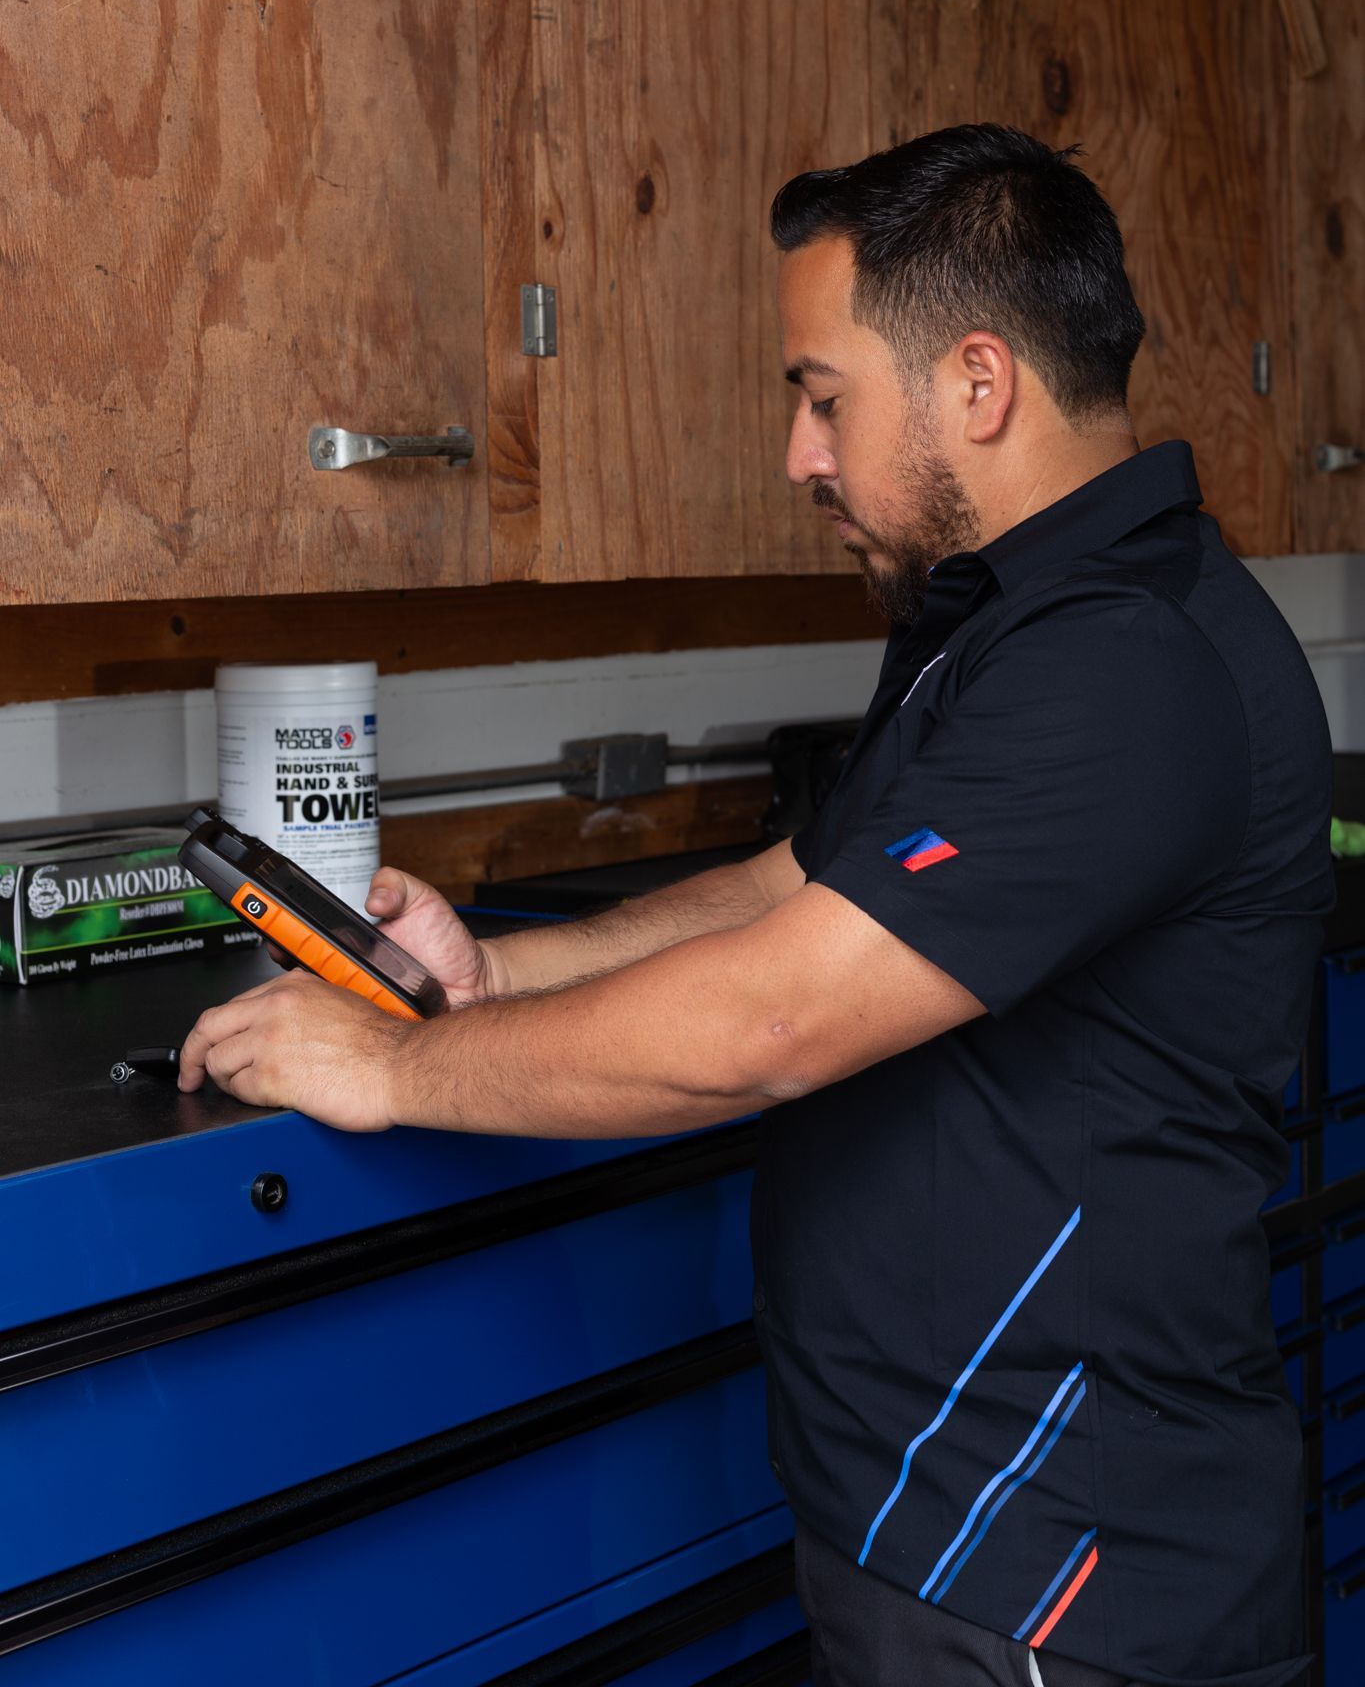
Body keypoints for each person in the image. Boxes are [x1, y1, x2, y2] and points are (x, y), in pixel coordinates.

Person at [180, 125, 1333, 1687]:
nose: (799, 452)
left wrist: (392, 1070)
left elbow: (775, 1016)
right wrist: (504, 981)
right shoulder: (1002, 615)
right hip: (947, 1529)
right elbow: (810, 884)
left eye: (822, 393)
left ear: (977, 384)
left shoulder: (1122, 667)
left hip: (1061, 1573)